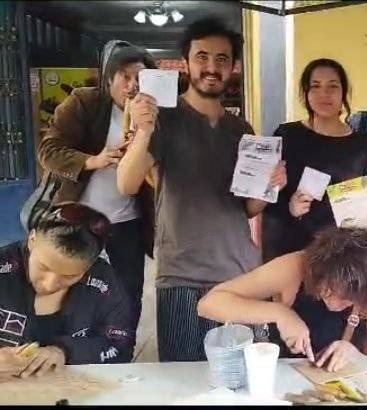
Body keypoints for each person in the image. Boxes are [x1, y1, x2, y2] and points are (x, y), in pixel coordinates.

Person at [117, 17, 287, 362]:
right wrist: (144, 131)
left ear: (233, 67)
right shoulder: (164, 118)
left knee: (241, 375)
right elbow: (126, 183)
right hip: (183, 275)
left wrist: (270, 187)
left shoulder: (241, 128)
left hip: (240, 273)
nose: (212, 67)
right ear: (186, 63)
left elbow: (247, 208)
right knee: (185, 379)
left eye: (222, 59)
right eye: (202, 57)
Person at [36, 41, 156, 348]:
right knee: (69, 283)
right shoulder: (85, 102)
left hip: (127, 220)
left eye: (139, 78)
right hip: (79, 215)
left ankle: (120, 350)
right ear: (109, 79)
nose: (132, 86)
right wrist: (94, 160)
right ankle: (64, 347)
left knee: (129, 291)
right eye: (124, 76)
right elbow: (48, 150)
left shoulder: (154, 113)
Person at [198, 227, 367, 372]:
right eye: (328, 291)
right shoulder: (295, 267)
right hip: (284, 382)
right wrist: (281, 314)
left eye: (347, 301)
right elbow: (209, 303)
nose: (336, 304)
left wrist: (355, 355)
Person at [261, 58, 367, 261]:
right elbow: (265, 197)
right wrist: (288, 207)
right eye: (315, 87)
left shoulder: (364, 145)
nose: (323, 94)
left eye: (332, 86)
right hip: (292, 253)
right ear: (306, 94)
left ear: (344, 93)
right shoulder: (286, 135)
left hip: (343, 257)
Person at [0, 203, 134, 380]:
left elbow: (120, 346)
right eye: (43, 267)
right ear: (32, 239)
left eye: (69, 276)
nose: (49, 284)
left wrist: (64, 351)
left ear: (89, 267)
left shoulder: (102, 283)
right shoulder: (4, 268)